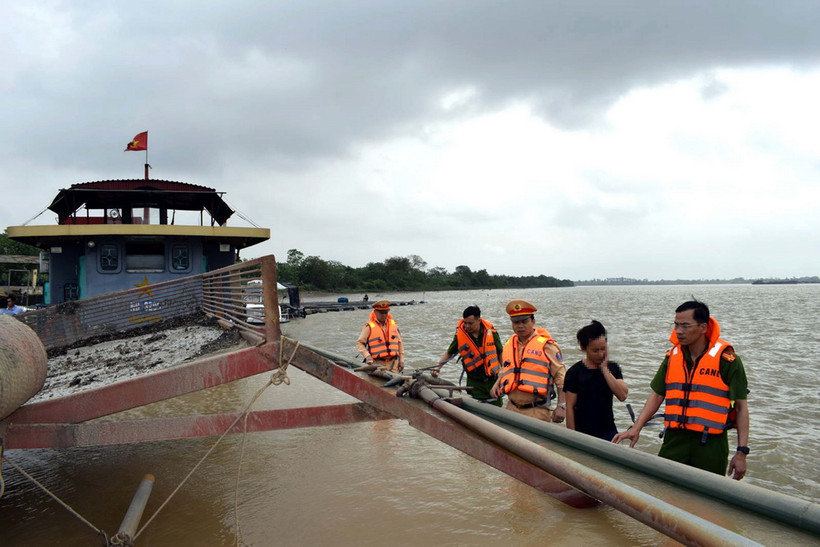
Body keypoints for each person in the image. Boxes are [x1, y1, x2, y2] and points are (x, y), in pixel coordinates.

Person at [612, 301, 750, 480]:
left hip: (710, 444)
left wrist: (741, 453)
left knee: (706, 500)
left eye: (685, 326)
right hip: (675, 438)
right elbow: (657, 395)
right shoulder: (672, 357)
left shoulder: (727, 360)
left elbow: (741, 407)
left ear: (702, 327)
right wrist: (636, 428)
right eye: (676, 325)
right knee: (663, 489)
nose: (678, 331)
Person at [490, 299, 567, 423]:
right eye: (516, 322)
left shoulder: (548, 346)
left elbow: (561, 378)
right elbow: (507, 368)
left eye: (524, 321)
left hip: (537, 411)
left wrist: (561, 406)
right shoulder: (510, 343)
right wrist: (497, 384)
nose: (520, 326)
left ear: (533, 321)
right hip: (511, 407)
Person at [564, 320, 628, 441]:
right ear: (583, 348)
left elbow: (622, 395)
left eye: (603, 349)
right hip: (582, 434)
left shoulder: (613, 368)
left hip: (609, 432)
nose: (600, 354)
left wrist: (604, 369)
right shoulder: (574, 373)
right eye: (595, 350)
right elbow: (570, 408)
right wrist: (572, 438)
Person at [433, 305, 504, 406]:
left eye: (470, 323)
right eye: (465, 323)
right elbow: (449, 352)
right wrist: (437, 367)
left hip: (492, 381)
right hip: (474, 382)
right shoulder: (460, 336)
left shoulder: (491, 333)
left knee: (498, 408)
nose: (467, 326)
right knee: (479, 409)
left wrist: (505, 371)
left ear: (478, 320)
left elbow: (500, 352)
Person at [356, 300, 404, 373]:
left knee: (394, 383)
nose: (383, 315)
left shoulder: (394, 325)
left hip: (393, 364)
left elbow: (399, 343)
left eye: (385, 313)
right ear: (375, 312)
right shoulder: (369, 327)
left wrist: (401, 361)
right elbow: (360, 343)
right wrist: (367, 356)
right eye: (381, 313)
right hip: (376, 364)